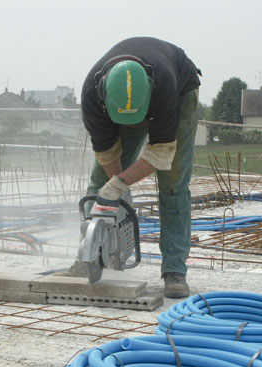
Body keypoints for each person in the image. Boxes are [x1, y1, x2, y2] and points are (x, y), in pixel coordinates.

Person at [66, 36, 201, 298]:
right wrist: (115, 191)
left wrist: (120, 184)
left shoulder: (165, 86)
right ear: (104, 95)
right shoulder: (92, 96)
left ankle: (174, 270)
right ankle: (89, 257)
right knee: (99, 183)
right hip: (128, 103)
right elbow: (107, 153)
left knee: (173, 184)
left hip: (180, 93)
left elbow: (161, 154)